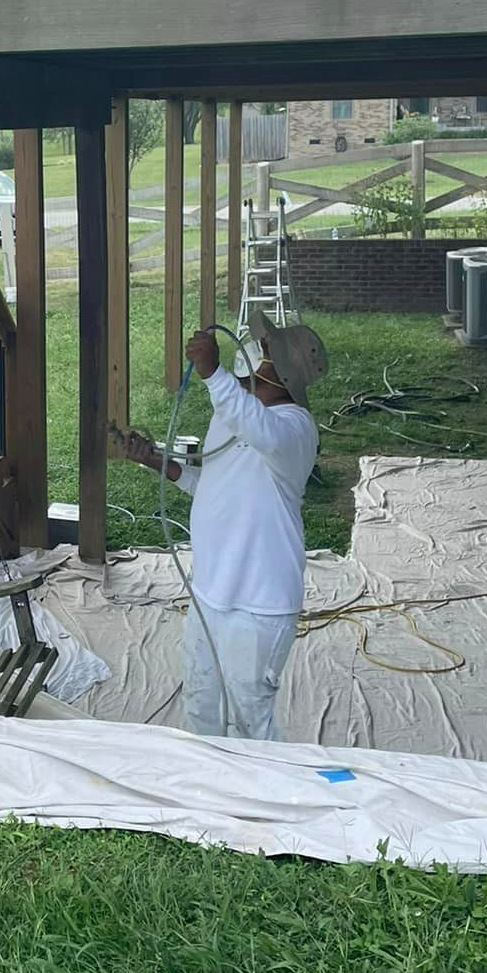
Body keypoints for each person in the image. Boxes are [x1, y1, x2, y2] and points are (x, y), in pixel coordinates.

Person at [121, 312, 324, 740]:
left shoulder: (295, 430)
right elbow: (209, 482)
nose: (252, 355)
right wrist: (154, 461)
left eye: (264, 351)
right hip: (210, 592)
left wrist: (214, 374)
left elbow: (261, 430)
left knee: (252, 718)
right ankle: (212, 794)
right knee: (201, 705)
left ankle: (269, 799)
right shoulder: (234, 416)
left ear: (281, 372)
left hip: (259, 603)